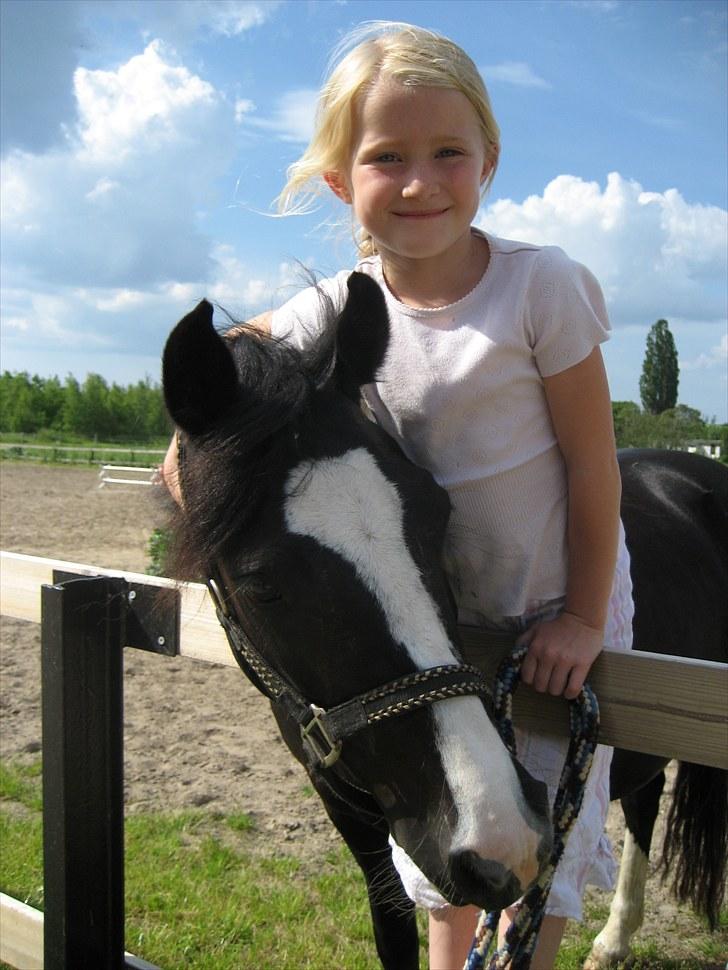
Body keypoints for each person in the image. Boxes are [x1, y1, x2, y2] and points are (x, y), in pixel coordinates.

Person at [162, 21, 633, 970]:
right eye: (387, 157)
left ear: (489, 161)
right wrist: (191, 464)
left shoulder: (542, 289)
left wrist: (582, 617)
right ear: (341, 180)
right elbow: (223, 388)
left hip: (552, 611)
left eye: (447, 153)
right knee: (443, 846)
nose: (420, 182)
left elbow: (594, 465)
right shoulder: (339, 299)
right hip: (436, 627)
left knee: (534, 852)